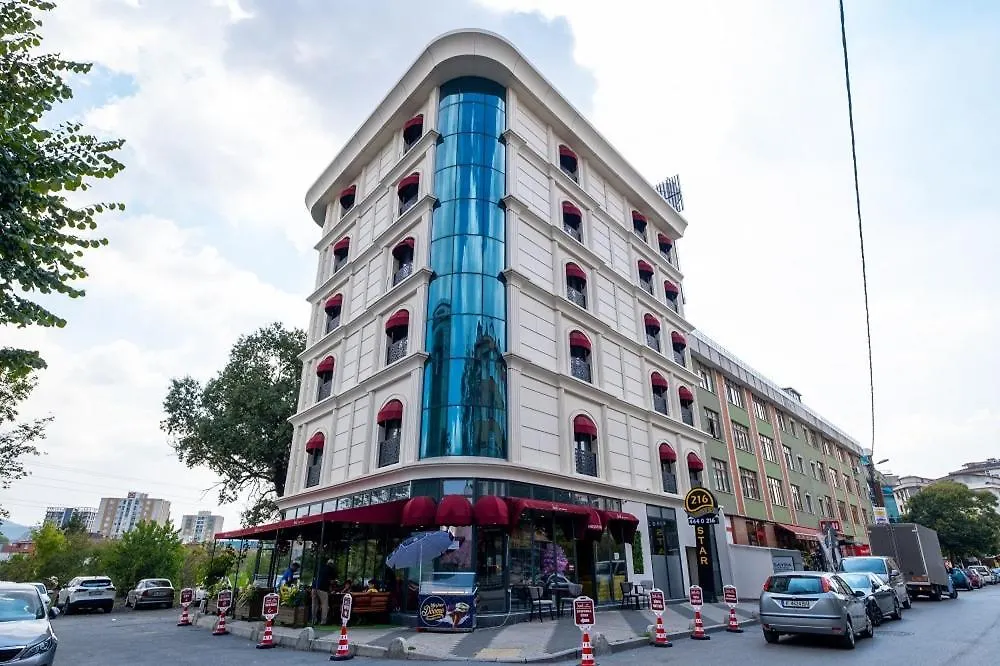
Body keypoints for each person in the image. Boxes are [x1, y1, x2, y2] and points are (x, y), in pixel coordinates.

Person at [312, 559, 335, 625]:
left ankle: (313, 620)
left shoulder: (320, 567)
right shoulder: (330, 569)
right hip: (322, 588)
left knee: (314, 604)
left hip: (314, 587)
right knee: (324, 605)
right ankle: (323, 621)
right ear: (331, 564)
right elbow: (331, 581)